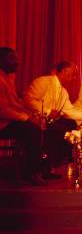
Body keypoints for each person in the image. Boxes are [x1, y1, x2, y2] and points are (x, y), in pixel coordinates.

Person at [24, 61, 82, 171]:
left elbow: (70, 111)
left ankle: (59, 163)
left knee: (70, 124)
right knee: (62, 130)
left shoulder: (63, 91)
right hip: (34, 121)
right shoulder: (43, 81)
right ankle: (46, 167)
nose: (74, 78)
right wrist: (48, 111)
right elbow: (28, 100)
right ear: (64, 71)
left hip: (48, 123)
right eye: (73, 74)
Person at [0, 48, 47, 184]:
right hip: (3, 123)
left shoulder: (8, 77)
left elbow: (13, 104)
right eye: (12, 59)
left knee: (41, 125)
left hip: (9, 120)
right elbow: (2, 110)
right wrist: (27, 118)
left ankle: (39, 169)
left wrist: (32, 114)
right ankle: (32, 173)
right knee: (32, 130)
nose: (17, 63)